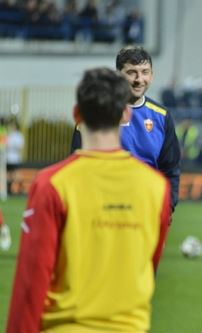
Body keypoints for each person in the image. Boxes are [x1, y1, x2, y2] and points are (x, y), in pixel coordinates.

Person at [7, 68, 171, 332]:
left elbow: (32, 279)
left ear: (77, 115)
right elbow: (148, 266)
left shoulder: (52, 184)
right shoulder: (156, 188)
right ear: (126, 114)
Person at [71, 45, 180, 213]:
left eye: (145, 72)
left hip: (149, 210)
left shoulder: (162, 116)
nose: (139, 79)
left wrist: (168, 206)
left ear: (152, 75)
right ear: (118, 75)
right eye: (131, 72)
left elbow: (171, 169)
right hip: (105, 210)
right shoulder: (96, 112)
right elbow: (78, 163)